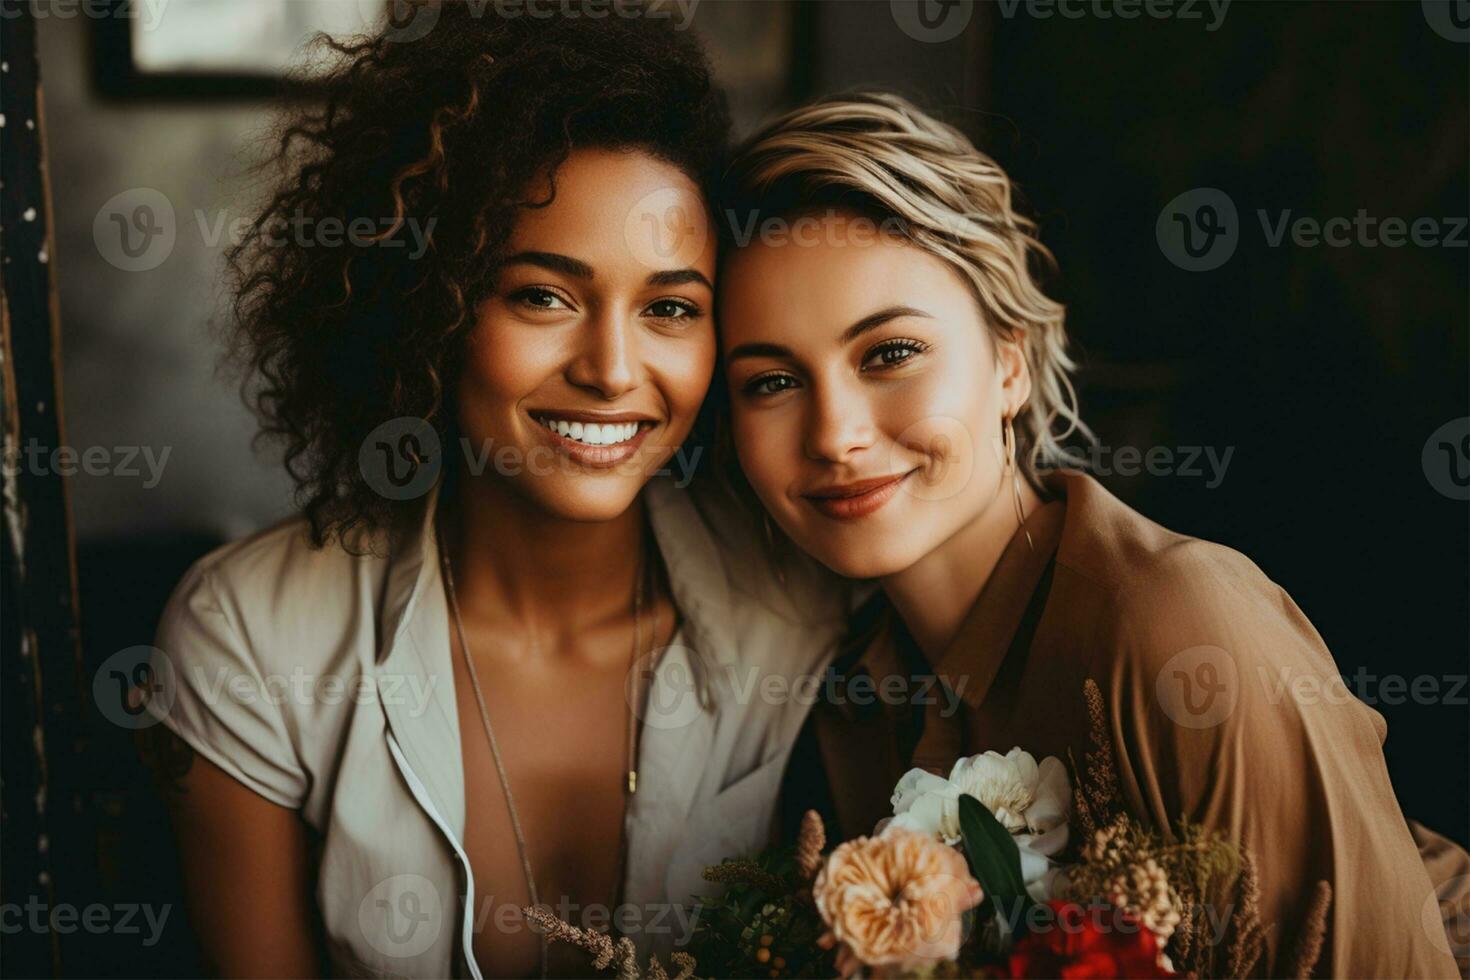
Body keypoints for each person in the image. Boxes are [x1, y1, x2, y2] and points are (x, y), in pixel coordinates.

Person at [137, 10, 852, 978]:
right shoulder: (249, 642)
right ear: (428, 303)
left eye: (670, 307)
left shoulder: (803, 604)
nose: (610, 369)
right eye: (542, 295)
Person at [715, 91, 1468, 977]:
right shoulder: (843, 698)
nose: (834, 434)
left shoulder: (1179, 631)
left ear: (1009, 361)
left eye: (890, 353)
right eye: (770, 382)